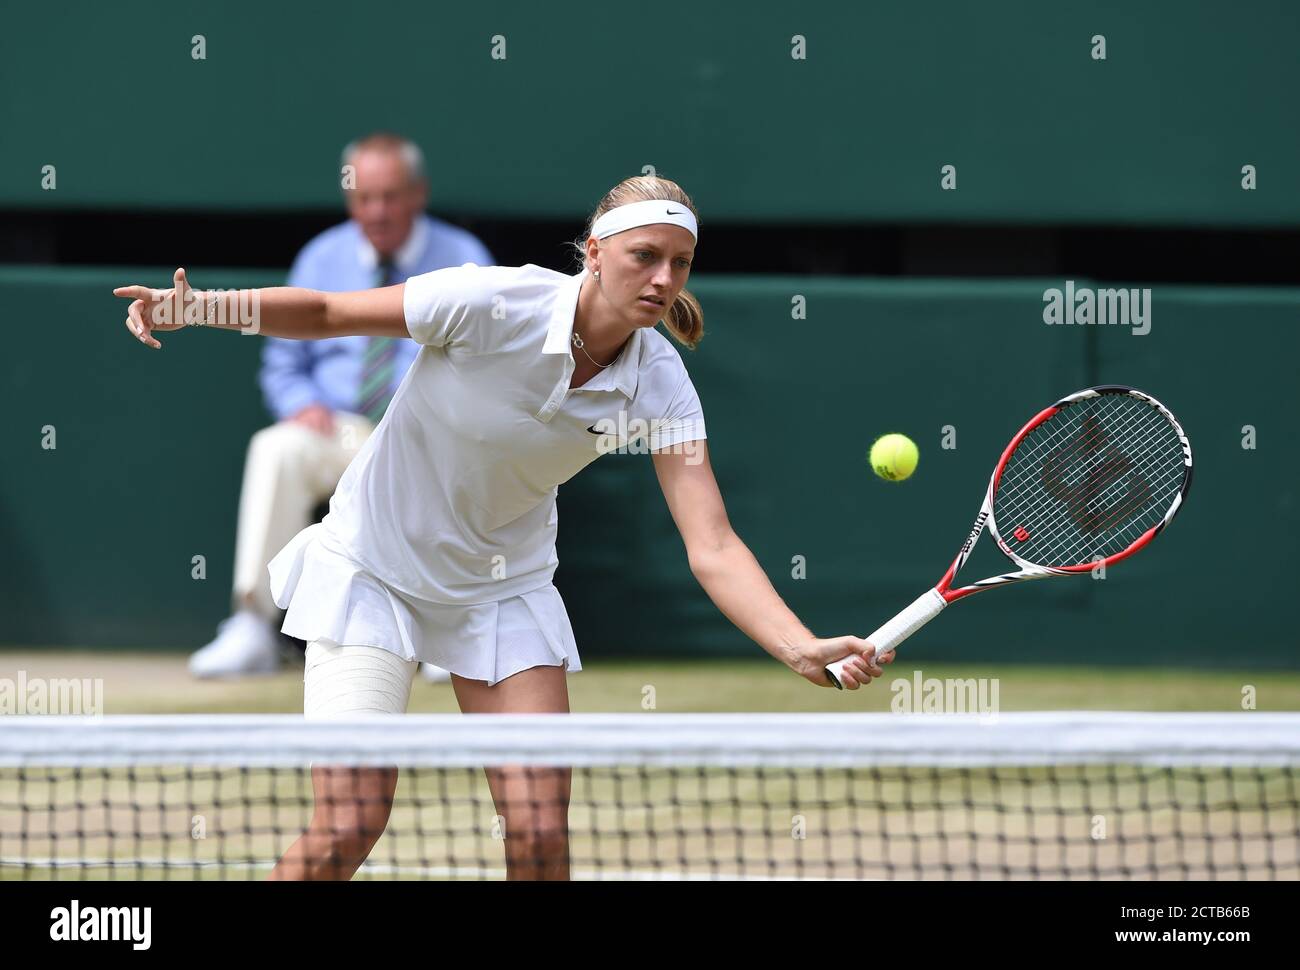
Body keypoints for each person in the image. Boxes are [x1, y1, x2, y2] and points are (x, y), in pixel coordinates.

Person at [114, 174, 891, 881]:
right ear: (594, 252)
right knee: (348, 826)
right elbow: (326, 311)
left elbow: (712, 542)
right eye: (645, 255)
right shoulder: (492, 302)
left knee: (538, 834)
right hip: (371, 571)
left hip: (503, 594)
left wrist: (797, 644)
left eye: (680, 263)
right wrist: (201, 307)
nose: (662, 279)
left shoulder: (661, 386)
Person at [188, 133, 491, 681]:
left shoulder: (466, 261)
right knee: (276, 448)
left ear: (417, 194)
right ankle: (253, 625)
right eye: (363, 197)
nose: (375, 211)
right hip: (340, 429)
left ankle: (450, 628)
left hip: (429, 432)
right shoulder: (320, 257)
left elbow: (486, 364)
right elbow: (283, 365)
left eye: (390, 196)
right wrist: (300, 403)